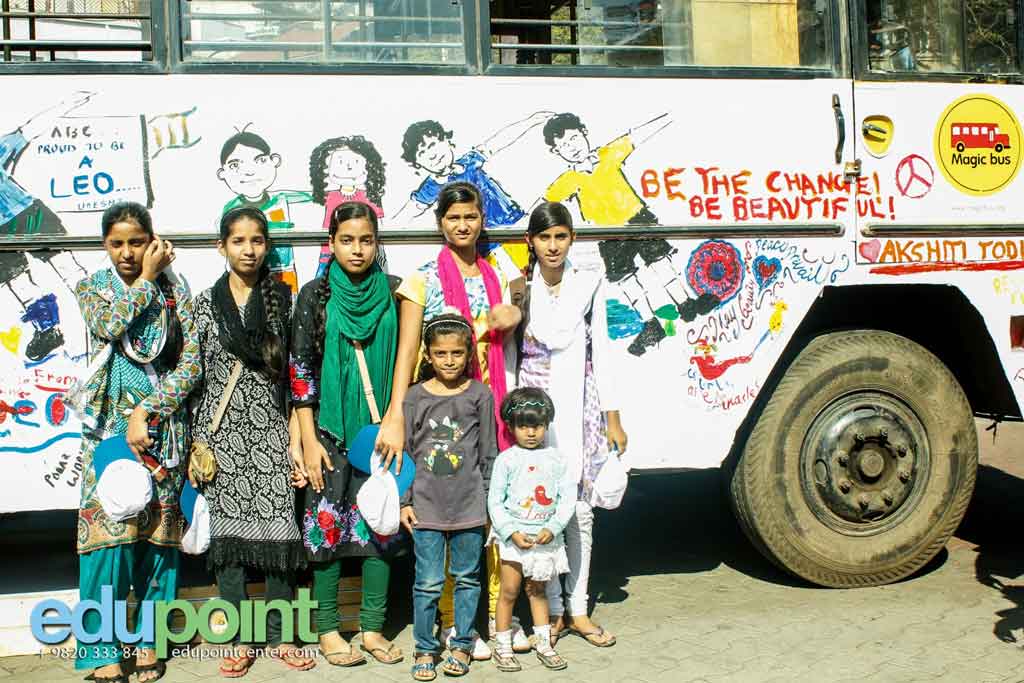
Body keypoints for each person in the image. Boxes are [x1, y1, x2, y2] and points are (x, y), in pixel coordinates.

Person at [67, 201, 200, 683]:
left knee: (157, 543)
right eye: (117, 243)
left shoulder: (176, 291)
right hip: (108, 434)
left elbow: (191, 364)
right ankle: (99, 650)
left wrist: (149, 410)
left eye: (137, 242)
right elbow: (109, 326)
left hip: (161, 431)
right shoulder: (92, 288)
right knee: (108, 541)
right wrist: (146, 278)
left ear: (152, 240)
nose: (127, 252)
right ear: (105, 245)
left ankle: (148, 642)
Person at [393, 181, 527, 657]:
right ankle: (452, 621)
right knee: (448, 517)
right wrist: (395, 415)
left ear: (482, 219)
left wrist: (514, 310)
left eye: (471, 216)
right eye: (453, 217)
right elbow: (408, 352)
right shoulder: (422, 279)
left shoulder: (498, 273)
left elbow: (519, 302)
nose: (463, 225)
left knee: (492, 510)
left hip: (491, 412)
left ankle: (497, 616)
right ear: (440, 223)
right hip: (443, 424)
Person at [190, 207, 314, 677]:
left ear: (267, 246)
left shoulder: (283, 300)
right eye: (238, 241)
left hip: (272, 434)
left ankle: (281, 637)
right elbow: (195, 376)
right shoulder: (204, 304)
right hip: (220, 436)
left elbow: (296, 378)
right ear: (221, 246)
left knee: (280, 540)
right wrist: (195, 444)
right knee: (229, 546)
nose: (249, 250)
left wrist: (296, 441)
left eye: (257, 241)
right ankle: (239, 638)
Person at [290, 201, 405, 668]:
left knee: (381, 528)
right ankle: (328, 630)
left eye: (366, 240)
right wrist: (308, 440)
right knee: (326, 530)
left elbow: (409, 362)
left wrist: (397, 420)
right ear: (331, 244)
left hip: (382, 431)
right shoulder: (315, 295)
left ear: (377, 243)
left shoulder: (396, 292)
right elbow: (300, 371)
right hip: (329, 433)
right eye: (347, 240)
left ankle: (373, 628)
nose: (357, 250)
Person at [518, 201, 628, 648]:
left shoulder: (589, 284)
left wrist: (612, 418)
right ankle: (553, 612)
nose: (552, 246)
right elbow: (510, 354)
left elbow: (602, 349)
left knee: (580, 512)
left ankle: (579, 609)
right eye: (544, 237)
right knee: (542, 509)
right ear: (530, 241)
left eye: (560, 237)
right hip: (534, 409)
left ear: (572, 239)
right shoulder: (519, 286)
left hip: (581, 406)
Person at [400, 312, 499, 680]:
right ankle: (425, 648)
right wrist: (405, 501)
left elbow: (488, 452)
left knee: (467, 578)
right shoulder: (414, 396)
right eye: (440, 353)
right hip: (425, 508)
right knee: (427, 583)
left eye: (457, 353)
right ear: (428, 354)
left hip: (470, 506)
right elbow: (405, 454)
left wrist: (488, 504)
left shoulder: (480, 394)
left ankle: (462, 644)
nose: (449, 361)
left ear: (469, 354)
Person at [488, 387, 574, 672]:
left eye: (536, 425)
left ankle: (544, 643)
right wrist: (510, 531)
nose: (531, 432)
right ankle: (502, 646)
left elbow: (567, 498)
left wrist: (554, 526)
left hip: (544, 540)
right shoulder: (506, 460)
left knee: (537, 591)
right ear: (511, 427)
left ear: (546, 425)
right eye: (523, 426)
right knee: (509, 591)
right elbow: (495, 502)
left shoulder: (557, 459)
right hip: (514, 540)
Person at [217, 130, 314, 294]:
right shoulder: (230, 209)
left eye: (260, 160)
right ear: (223, 173)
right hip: (247, 277)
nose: (249, 171)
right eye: (235, 165)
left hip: (285, 270)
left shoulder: (281, 199)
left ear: (274, 160)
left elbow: (311, 197)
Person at [542, 112, 668, 226]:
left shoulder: (607, 155)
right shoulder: (568, 179)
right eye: (564, 145)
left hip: (638, 218)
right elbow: (543, 205)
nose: (572, 148)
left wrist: (670, 115)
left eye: (574, 138)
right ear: (556, 151)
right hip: (605, 231)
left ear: (584, 132)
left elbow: (636, 136)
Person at [308, 135, 388, 277]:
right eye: (340, 162)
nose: (349, 167)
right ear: (325, 168)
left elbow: (379, 226)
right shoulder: (329, 197)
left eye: (356, 162)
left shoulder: (370, 197)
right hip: (327, 256)